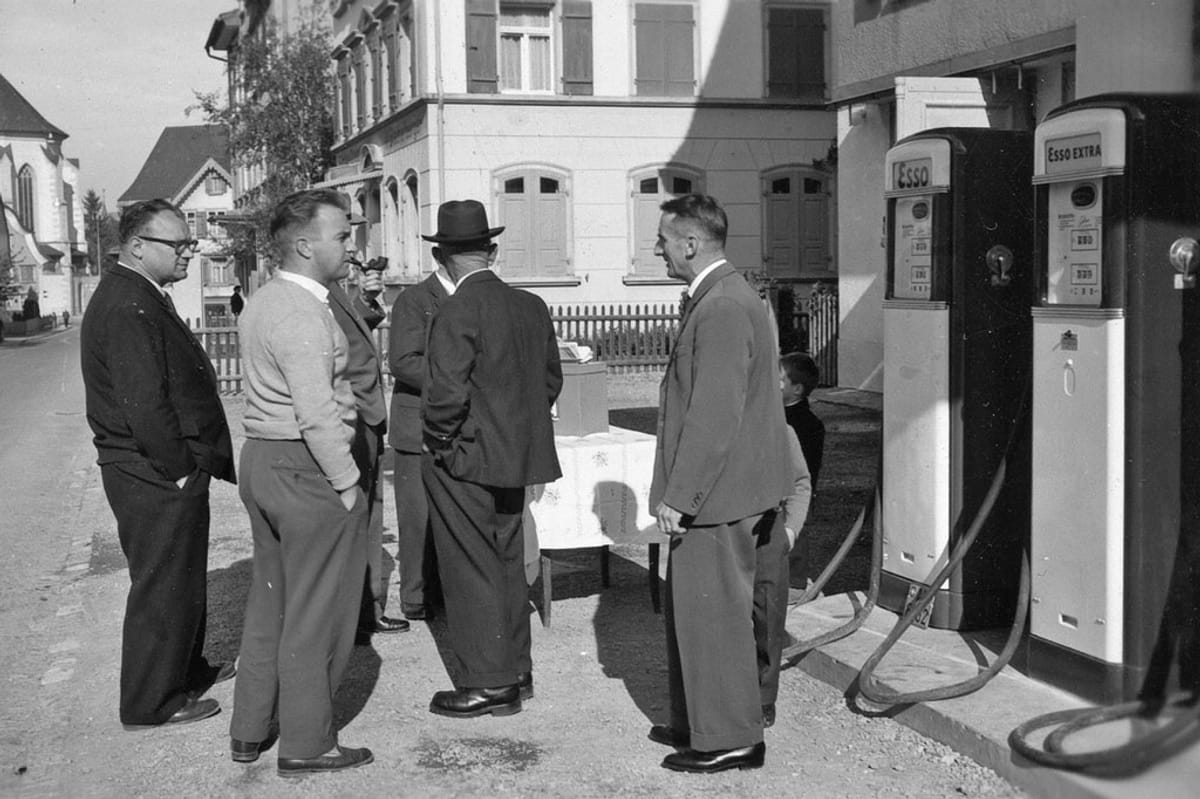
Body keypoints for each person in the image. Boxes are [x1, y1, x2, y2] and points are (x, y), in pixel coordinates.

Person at [229, 188, 373, 776]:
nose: (351, 244)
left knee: (273, 603)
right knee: (319, 611)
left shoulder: (265, 299)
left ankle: (251, 727)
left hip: (265, 460)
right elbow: (317, 411)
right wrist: (346, 482)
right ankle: (308, 743)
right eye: (342, 235)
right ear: (305, 245)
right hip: (306, 467)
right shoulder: (302, 309)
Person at [648, 194, 793, 773]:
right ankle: (702, 723)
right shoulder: (722, 297)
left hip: (721, 495)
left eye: (662, 239)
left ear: (690, 243)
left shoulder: (724, 306)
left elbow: (714, 414)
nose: (657, 249)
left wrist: (681, 498)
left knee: (715, 618)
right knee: (703, 614)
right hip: (734, 488)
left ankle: (731, 738)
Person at [79, 198, 236, 729]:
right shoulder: (128, 304)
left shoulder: (140, 292)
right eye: (179, 244)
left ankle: (183, 673)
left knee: (179, 576)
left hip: (159, 469)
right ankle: (152, 702)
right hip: (153, 471)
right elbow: (144, 403)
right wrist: (179, 470)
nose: (190, 251)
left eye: (190, 242)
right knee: (162, 582)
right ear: (138, 246)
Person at [421, 199, 562, 718]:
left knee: (469, 567)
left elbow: (444, 396)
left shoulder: (456, 310)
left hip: (465, 458)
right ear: (493, 251)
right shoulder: (532, 306)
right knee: (506, 562)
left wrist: (442, 443)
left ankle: (488, 682)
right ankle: (516, 671)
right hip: (514, 456)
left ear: (441, 257)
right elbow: (550, 380)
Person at [326, 258, 410, 642]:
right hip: (350, 419)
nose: (350, 251)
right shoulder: (311, 293)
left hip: (366, 418)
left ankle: (365, 610)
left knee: (368, 519)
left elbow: (349, 333)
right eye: (342, 239)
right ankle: (354, 616)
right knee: (353, 519)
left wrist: (365, 299)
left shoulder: (333, 291)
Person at [387, 257, 456, 621]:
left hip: (459, 425)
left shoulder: (474, 296)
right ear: (443, 257)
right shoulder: (414, 300)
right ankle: (415, 597)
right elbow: (402, 361)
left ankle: (445, 592)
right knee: (416, 517)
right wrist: (459, 380)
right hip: (416, 427)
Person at [754, 428, 812, 730]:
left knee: (768, 614)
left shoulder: (780, 429)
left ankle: (764, 698)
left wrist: (790, 530)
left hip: (768, 528)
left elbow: (800, 482)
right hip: (725, 532)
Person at [780, 352, 826, 488]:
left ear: (797, 389)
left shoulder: (809, 426)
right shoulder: (770, 412)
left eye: (780, 380)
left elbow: (804, 472)